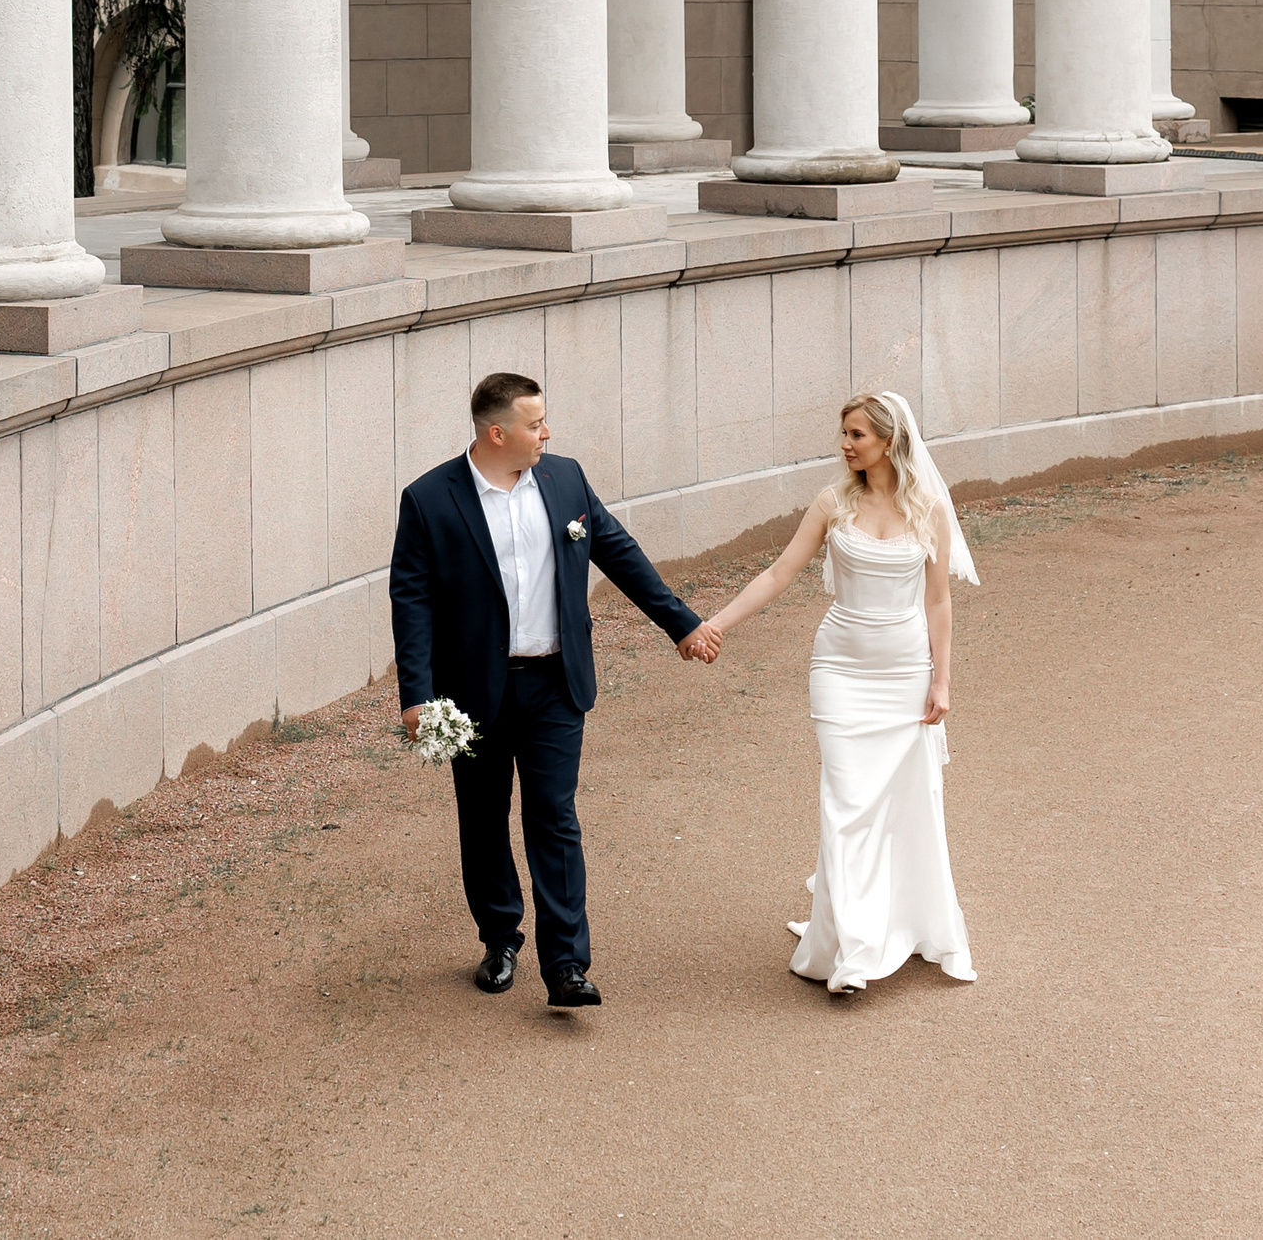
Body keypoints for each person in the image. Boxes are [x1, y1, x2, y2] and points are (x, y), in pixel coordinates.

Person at [390, 372, 721, 1010]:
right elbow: (412, 601)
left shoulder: (565, 479)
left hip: (555, 684)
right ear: (497, 433)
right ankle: (499, 939)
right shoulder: (429, 499)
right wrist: (417, 695)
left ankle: (567, 964)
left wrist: (681, 624)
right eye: (535, 423)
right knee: (483, 819)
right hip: (472, 694)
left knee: (554, 817)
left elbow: (618, 552)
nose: (548, 432)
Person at [701, 390, 977, 993]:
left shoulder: (930, 509)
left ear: (889, 441)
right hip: (840, 672)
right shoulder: (832, 503)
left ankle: (890, 923)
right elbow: (779, 573)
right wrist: (714, 624)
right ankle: (853, 951)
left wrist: (942, 679)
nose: (846, 445)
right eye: (845, 434)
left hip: (904, 675)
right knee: (846, 801)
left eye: (857, 435)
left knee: (899, 803)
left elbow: (939, 601)